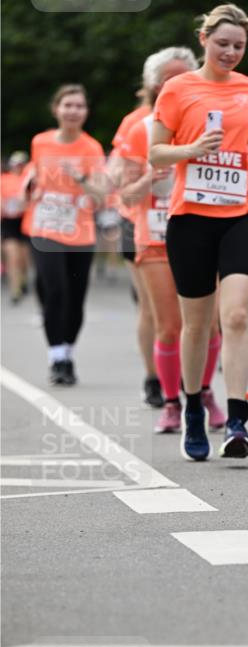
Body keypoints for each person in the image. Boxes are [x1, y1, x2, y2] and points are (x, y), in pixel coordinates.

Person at [150, 2, 248, 461]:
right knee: (196, 323)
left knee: (236, 317)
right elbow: (156, 154)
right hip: (190, 216)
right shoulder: (177, 88)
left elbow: (245, 142)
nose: (230, 52)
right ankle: (191, 406)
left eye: (239, 46)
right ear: (204, 40)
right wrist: (192, 148)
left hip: (241, 212)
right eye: (223, 44)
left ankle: (237, 419)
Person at [120, 46, 227, 435]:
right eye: (169, 77)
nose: (177, 83)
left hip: (202, 227)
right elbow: (124, 194)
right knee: (169, 325)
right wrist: (154, 175)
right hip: (156, 234)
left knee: (208, 326)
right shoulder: (140, 128)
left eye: (185, 74)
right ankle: (170, 402)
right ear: (154, 84)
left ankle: (202, 392)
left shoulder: (210, 120)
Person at [23, 84, 108, 385]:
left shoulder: (91, 148)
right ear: (56, 109)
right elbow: (34, 175)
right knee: (54, 289)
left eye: (79, 106)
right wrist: (29, 183)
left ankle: (68, 352)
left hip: (80, 231)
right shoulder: (41, 142)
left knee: (75, 297)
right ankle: (56, 357)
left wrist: (80, 177)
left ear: (85, 112)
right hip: (45, 226)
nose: (73, 111)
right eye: (68, 105)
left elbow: (101, 194)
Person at [108, 89, 161, 407]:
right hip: (138, 217)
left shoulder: (197, 114)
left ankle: (185, 375)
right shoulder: (136, 121)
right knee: (149, 306)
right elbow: (116, 169)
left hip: (182, 217)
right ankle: (153, 377)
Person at [1, 151, 31, 303]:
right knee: (12, 257)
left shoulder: (27, 180)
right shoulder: (4, 179)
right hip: (9, 223)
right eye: (16, 164)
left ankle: (23, 280)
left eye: (21, 164)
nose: (18, 167)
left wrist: (24, 204)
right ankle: (15, 290)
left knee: (23, 259)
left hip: (25, 222)